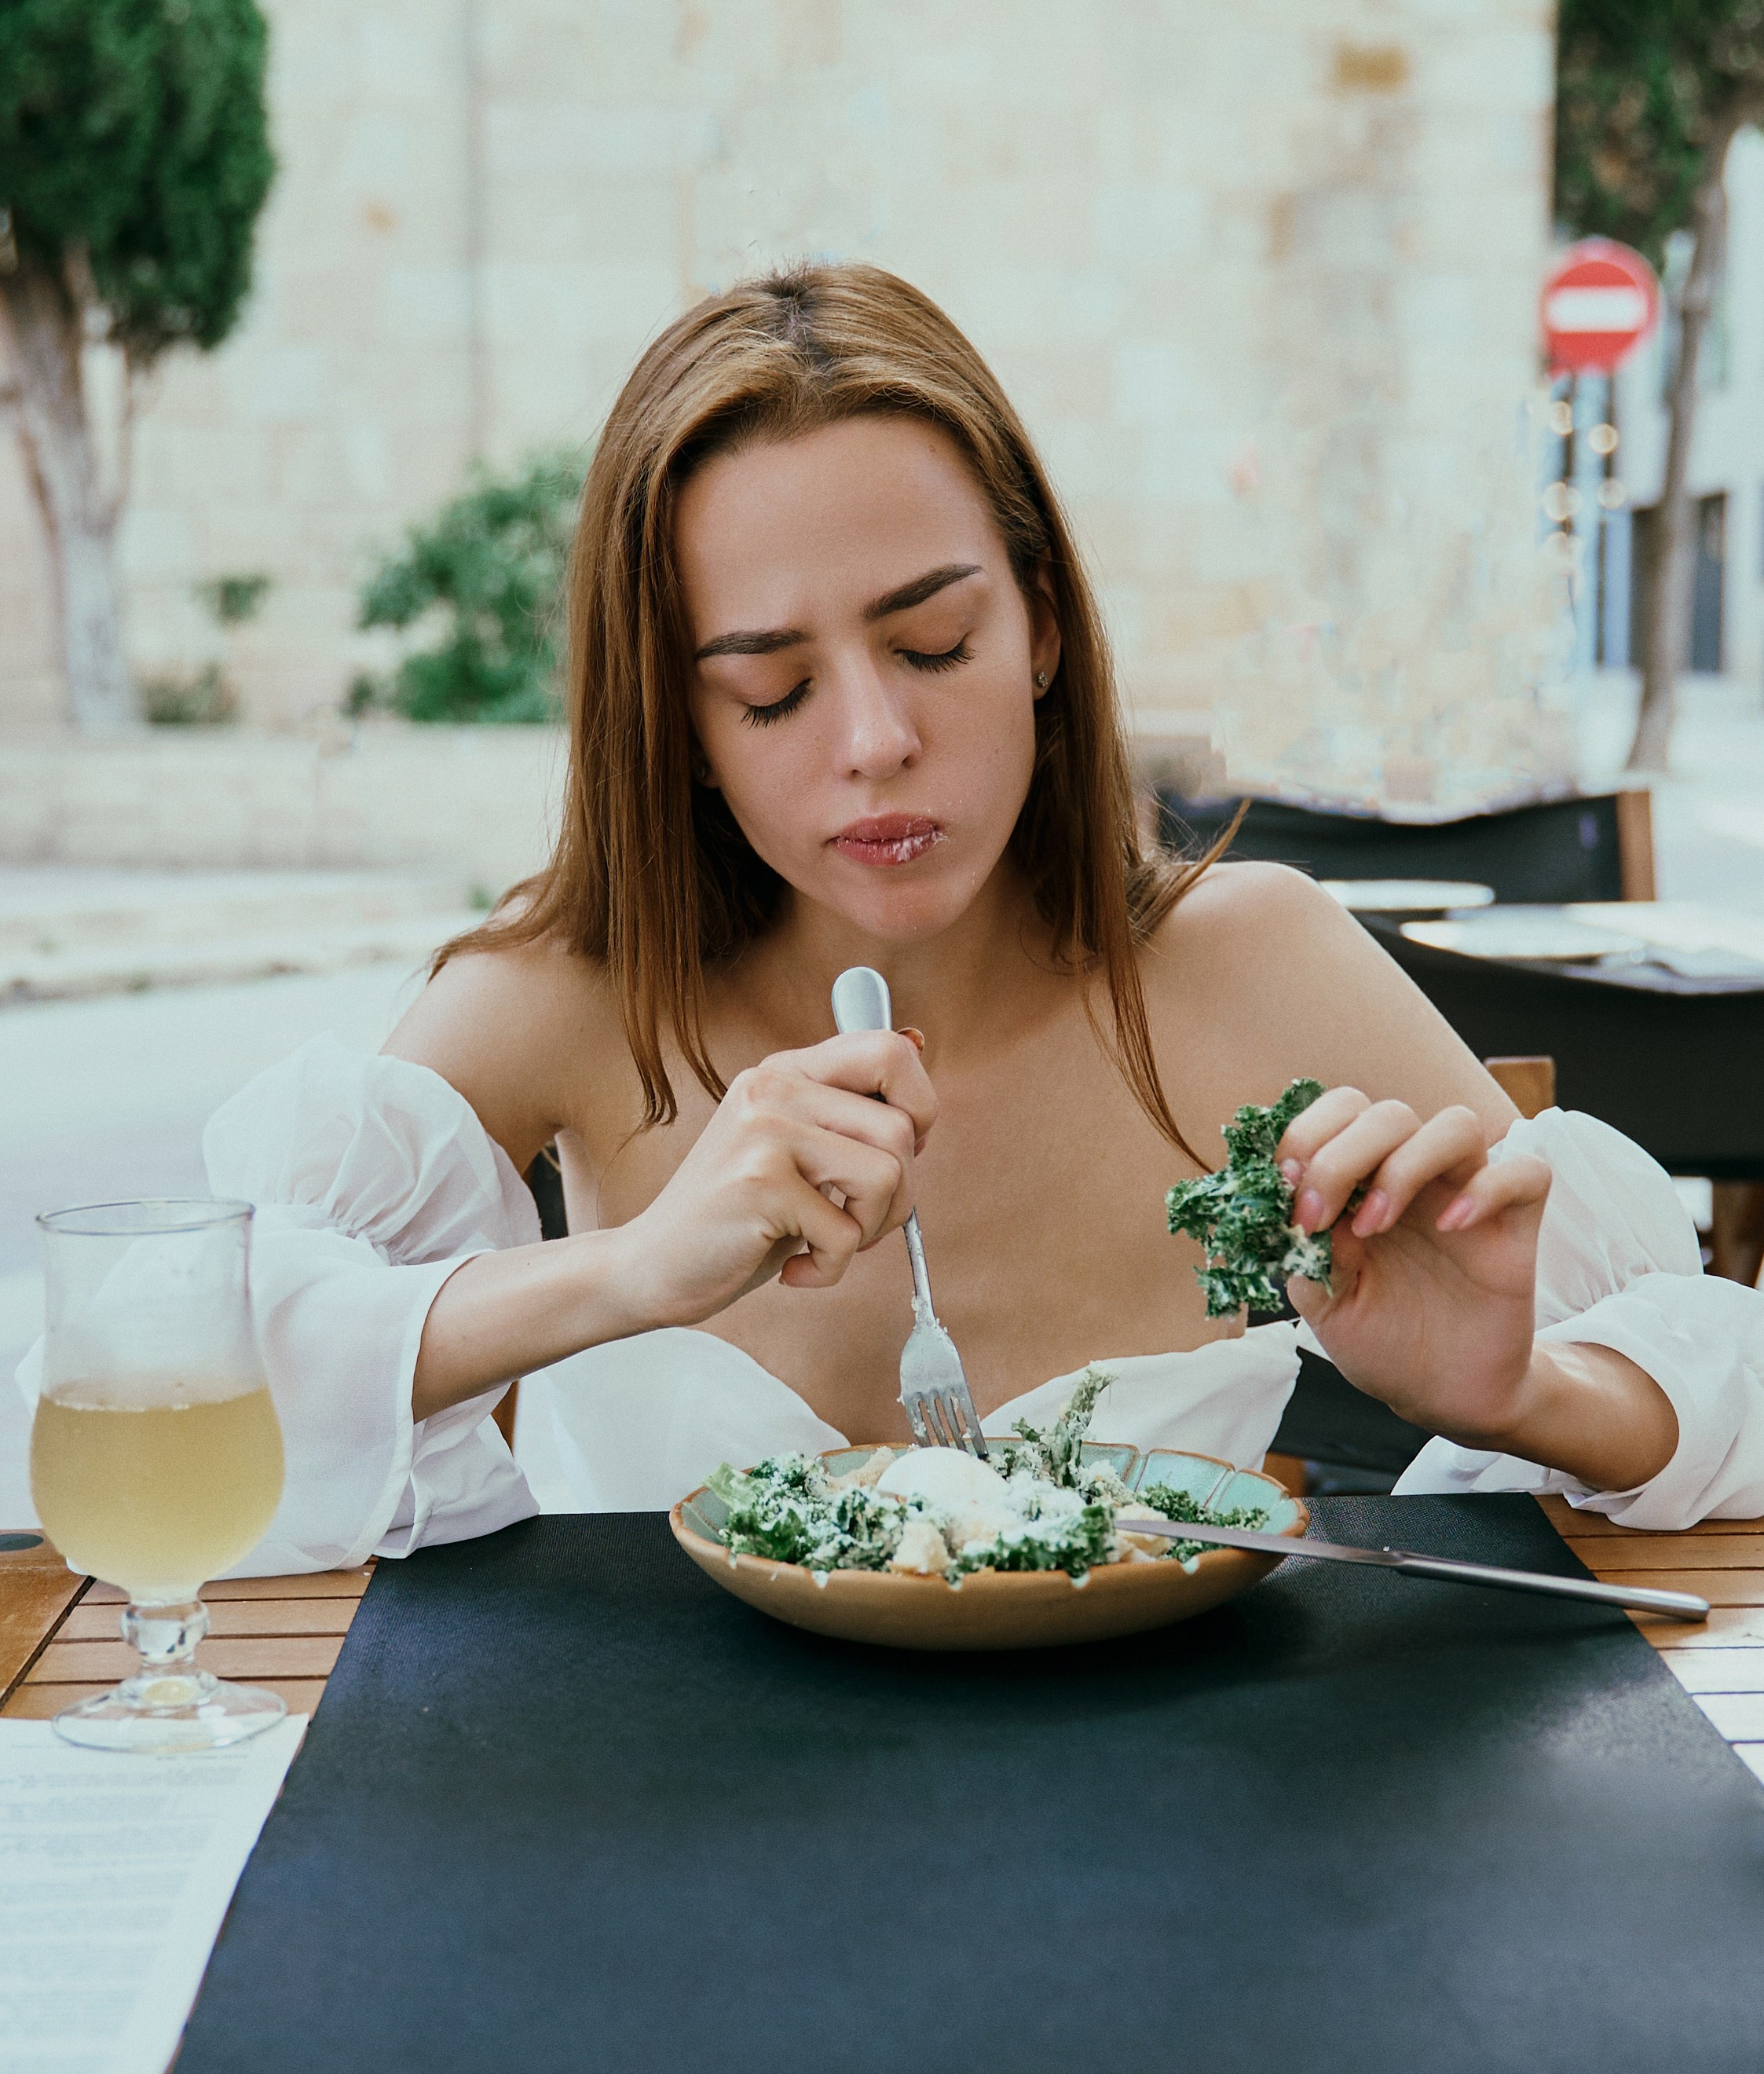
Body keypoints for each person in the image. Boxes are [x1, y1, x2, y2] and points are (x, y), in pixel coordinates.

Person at [56, 265, 1764, 1568]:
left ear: (1037, 621)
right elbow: (150, 1375)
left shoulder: (1256, 964)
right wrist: (629, 1273)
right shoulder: (566, 1001)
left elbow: (1707, 1382)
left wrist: (1512, 1397)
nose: (872, 741)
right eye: (769, 687)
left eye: (932, 643)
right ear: (684, 730)